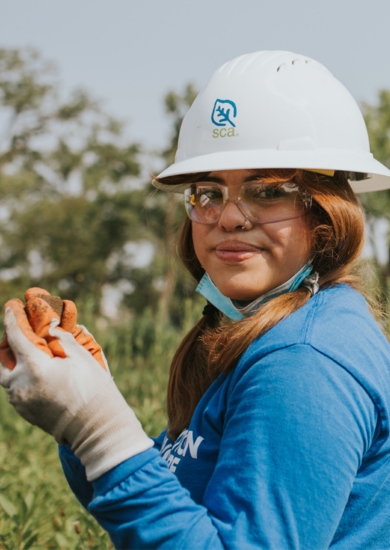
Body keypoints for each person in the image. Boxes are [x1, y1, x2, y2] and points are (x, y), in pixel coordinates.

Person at [1, 50, 390, 549]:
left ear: (325, 212)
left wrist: (101, 433)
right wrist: (87, 416)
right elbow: (168, 506)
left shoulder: (304, 361)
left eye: (267, 190)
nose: (229, 217)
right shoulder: (265, 334)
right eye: (208, 191)